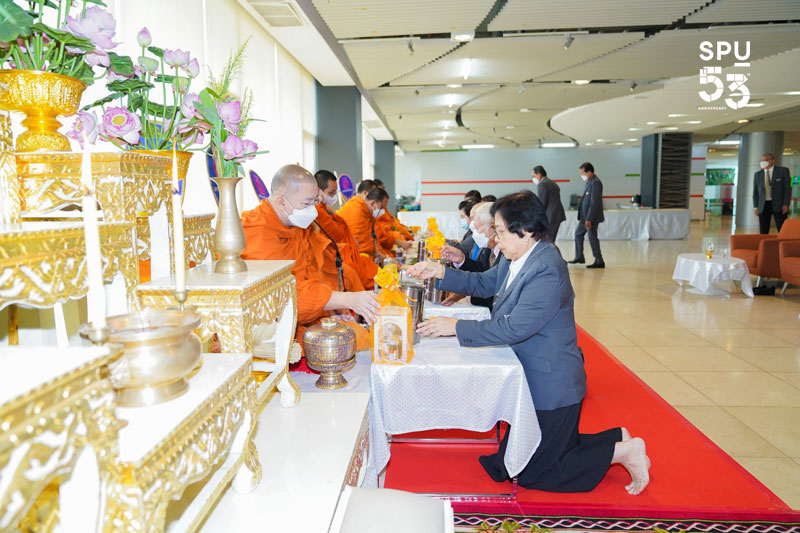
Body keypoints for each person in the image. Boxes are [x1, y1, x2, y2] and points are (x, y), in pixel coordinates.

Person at [407, 190, 650, 495]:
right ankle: (614, 437)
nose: (494, 238)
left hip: (551, 381)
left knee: (535, 474)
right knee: (509, 463)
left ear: (527, 231)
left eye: (500, 231)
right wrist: (440, 272)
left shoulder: (547, 268)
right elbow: (484, 282)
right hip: (529, 372)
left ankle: (622, 451)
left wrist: (454, 326)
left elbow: (514, 328)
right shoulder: (518, 255)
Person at [241, 164, 379, 356]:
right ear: (281, 201)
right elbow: (280, 297)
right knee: (350, 340)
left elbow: (311, 272)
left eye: (315, 202)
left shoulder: (294, 223)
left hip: (304, 312)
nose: (313, 211)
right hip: (271, 325)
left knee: (354, 334)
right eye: (306, 204)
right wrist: (348, 298)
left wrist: (330, 310)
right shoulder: (258, 233)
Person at [314, 169, 379, 289]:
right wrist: (334, 214)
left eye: (335, 193)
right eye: (331, 192)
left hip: (344, 251)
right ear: (318, 190)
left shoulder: (324, 208)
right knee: (355, 274)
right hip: (334, 256)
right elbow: (337, 234)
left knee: (372, 270)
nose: (333, 196)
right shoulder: (317, 210)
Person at [441, 202, 503, 310]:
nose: (475, 234)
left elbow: (493, 287)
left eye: (477, 228)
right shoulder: (489, 249)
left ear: (493, 228)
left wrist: (471, 297)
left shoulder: (507, 255)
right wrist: (461, 259)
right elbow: (480, 272)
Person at [569, 162, 605, 269]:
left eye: (583, 173)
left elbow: (594, 203)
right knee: (578, 234)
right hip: (584, 217)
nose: (582, 175)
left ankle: (599, 261)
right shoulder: (589, 182)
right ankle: (579, 256)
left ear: (589, 172)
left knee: (592, 238)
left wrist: (589, 218)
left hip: (591, 218)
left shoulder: (596, 183)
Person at [338, 182, 386, 259]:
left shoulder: (366, 210)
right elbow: (363, 246)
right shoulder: (356, 210)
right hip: (354, 256)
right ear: (365, 193)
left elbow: (375, 238)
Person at [753, 153, 792, 234]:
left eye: (766, 160)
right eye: (762, 160)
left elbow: (787, 189)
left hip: (779, 205)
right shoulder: (758, 174)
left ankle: (782, 245)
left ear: (772, 161)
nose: (763, 162)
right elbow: (755, 192)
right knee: (763, 230)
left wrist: (786, 204)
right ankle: (764, 246)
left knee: (782, 229)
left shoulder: (783, 171)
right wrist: (755, 206)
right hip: (763, 205)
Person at [532, 165, 566, 243]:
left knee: (548, 241)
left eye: (533, 176)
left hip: (550, 217)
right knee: (550, 240)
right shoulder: (551, 182)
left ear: (539, 175)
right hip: (556, 215)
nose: (533, 179)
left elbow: (542, 203)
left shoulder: (542, 184)